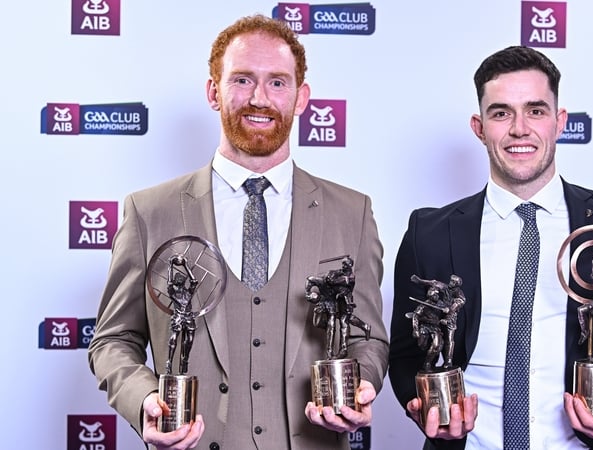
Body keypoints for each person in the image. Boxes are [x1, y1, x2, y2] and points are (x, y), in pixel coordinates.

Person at [88, 14, 388, 450]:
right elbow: (113, 339)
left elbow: (368, 337)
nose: (260, 99)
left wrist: (360, 385)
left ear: (302, 98)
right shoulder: (149, 211)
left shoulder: (352, 212)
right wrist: (145, 399)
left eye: (278, 83)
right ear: (214, 91)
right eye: (243, 80)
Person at [388, 46, 593, 450]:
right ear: (479, 128)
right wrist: (425, 408)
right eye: (501, 113)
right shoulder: (430, 232)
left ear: (559, 122)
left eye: (536, 110)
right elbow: (406, 356)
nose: (519, 129)